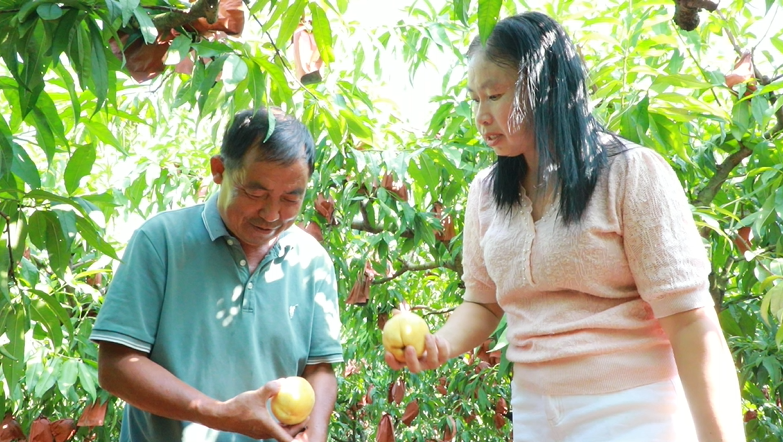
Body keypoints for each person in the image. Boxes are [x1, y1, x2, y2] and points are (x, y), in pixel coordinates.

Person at [385, 12, 746, 442]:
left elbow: (690, 325)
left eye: (494, 95)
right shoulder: (486, 192)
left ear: (547, 89)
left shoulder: (630, 172)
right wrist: (439, 345)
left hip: (634, 413)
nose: (481, 115)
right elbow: (483, 303)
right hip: (536, 416)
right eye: (474, 99)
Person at [91, 107, 344, 442]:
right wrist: (219, 414)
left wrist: (316, 434)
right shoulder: (161, 241)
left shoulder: (312, 262)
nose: (271, 214)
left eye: (290, 199)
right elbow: (116, 366)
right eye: (256, 193)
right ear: (219, 170)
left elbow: (320, 369)